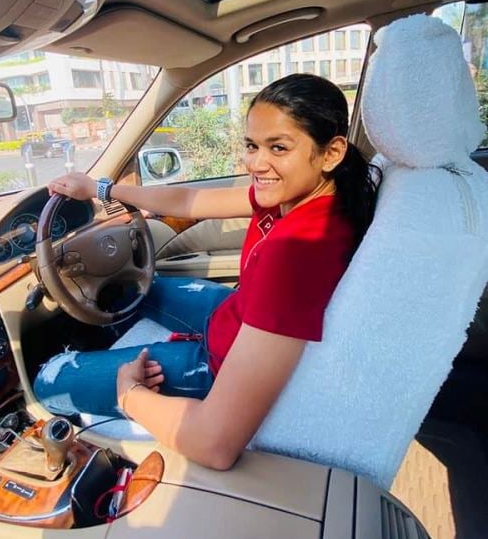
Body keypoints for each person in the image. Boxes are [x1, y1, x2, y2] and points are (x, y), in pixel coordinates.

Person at [34, 74, 380, 470]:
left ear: (331, 152)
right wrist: (100, 189)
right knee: (137, 290)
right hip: (236, 313)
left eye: (278, 148)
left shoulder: (296, 253)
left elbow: (214, 444)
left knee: (48, 380)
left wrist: (129, 393)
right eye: (252, 145)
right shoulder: (299, 194)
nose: (256, 163)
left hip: (217, 362)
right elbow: (189, 200)